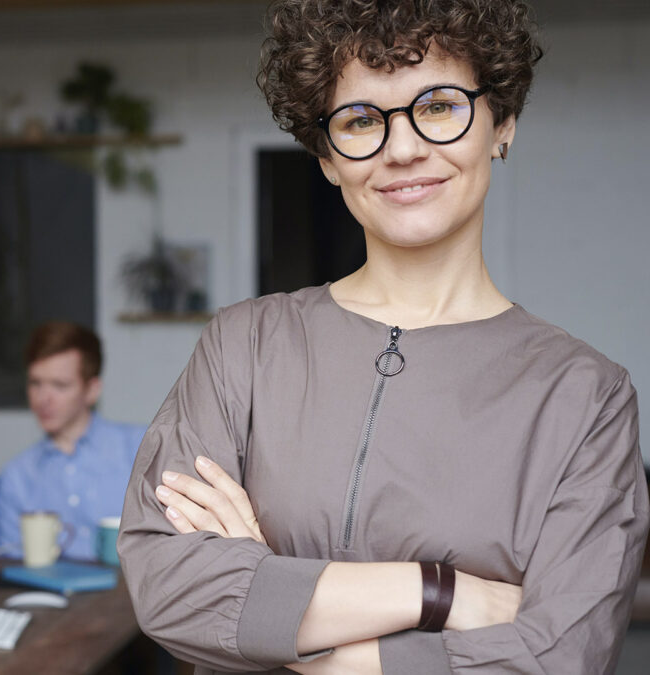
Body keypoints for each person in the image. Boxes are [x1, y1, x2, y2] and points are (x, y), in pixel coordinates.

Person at [118, 2, 649, 674]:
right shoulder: (242, 347)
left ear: (502, 124)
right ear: (328, 157)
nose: (402, 149)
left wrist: (279, 622)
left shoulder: (585, 397)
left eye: (438, 106)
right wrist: (442, 594)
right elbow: (171, 588)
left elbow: (558, 657)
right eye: (362, 120)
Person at [0, 321, 146, 561]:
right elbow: (11, 569)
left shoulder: (140, 449)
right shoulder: (17, 476)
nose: (43, 398)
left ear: (92, 390)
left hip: (133, 597)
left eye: (59, 385)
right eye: (35, 383)